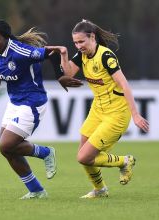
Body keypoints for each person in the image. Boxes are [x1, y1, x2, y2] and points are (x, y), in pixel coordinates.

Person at [0, 19, 83, 199]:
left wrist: (60, 77)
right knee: (6, 150)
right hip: (15, 103)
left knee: (6, 144)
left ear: (6, 38)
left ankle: (46, 152)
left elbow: (52, 53)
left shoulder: (20, 51)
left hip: (33, 102)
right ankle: (36, 190)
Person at [46, 19, 149, 198]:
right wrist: (64, 54)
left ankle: (125, 161)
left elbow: (124, 85)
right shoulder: (82, 55)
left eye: (81, 42)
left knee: (84, 157)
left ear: (92, 37)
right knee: (83, 155)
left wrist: (136, 114)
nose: (78, 46)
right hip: (97, 110)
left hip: (116, 113)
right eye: (75, 43)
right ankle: (100, 190)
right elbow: (68, 73)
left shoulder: (105, 56)